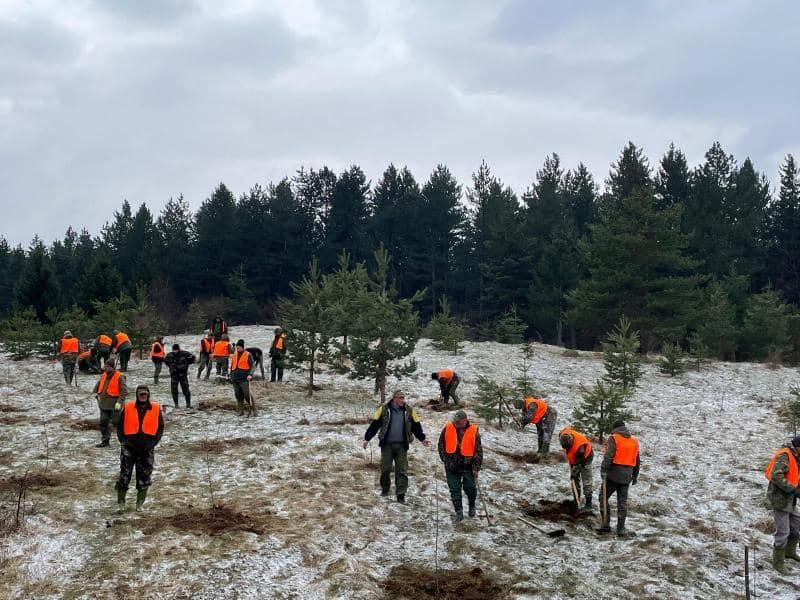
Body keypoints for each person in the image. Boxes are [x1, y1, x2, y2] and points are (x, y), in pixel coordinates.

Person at [363, 390, 429, 504]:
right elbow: (375, 425)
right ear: (394, 398)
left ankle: (401, 495)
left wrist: (422, 438)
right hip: (387, 445)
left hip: (402, 446)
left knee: (402, 471)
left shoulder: (409, 411)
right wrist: (367, 438)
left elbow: (416, 426)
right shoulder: (383, 410)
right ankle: (385, 489)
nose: (403, 400)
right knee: (385, 469)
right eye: (400, 397)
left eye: (404, 397)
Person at [113, 384, 164, 513]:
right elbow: (119, 426)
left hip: (146, 449)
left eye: (145, 394)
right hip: (129, 448)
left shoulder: (156, 408)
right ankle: (121, 503)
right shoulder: (128, 407)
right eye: (140, 394)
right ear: (137, 395)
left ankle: (139, 504)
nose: (142, 396)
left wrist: (152, 443)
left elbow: (160, 428)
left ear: (148, 395)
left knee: (144, 477)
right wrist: (123, 441)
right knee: (124, 476)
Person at [438, 410, 482, 522]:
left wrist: (476, 467)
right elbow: (441, 445)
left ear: (464, 420)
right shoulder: (448, 428)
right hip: (451, 466)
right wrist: (445, 460)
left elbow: (478, 451)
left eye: (458, 421)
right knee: (454, 490)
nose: (456, 423)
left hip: (468, 466)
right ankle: (459, 512)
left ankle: (472, 505)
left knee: (470, 488)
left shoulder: (473, 431)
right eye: (455, 421)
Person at [599, 420, 640, 537]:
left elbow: (609, 455)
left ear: (615, 428)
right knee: (622, 503)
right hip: (627, 477)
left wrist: (603, 470)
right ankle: (620, 529)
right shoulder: (634, 441)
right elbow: (637, 460)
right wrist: (635, 475)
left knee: (603, 497)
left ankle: (606, 524)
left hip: (613, 475)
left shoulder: (614, 438)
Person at [765, 436, 800, 574]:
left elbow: (794, 475)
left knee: (796, 525)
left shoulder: (796, 455)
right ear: (798, 446)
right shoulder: (785, 456)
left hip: (790, 499)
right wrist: (794, 489)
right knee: (783, 532)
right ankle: (778, 563)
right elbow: (776, 476)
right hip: (780, 499)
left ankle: (790, 552)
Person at [92, 359, 127, 448]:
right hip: (103, 404)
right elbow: (98, 384)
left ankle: (124, 442)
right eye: (105, 366)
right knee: (103, 422)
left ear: (112, 367)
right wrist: (95, 392)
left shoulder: (119, 377)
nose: (105, 368)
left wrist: (119, 402)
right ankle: (105, 441)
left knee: (117, 423)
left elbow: (124, 391)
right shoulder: (104, 375)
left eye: (108, 366)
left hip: (114, 405)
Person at [559, 426, 594, 509]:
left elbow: (578, 463)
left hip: (585, 458)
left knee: (586, 479)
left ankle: (588, 503)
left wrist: (574, 473)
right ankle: (576, 500)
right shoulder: (563, 434)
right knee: (574, 480)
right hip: (574, 458)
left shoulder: (580, 448)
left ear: (571, 442)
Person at [163, 343, 196, 408]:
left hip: (183, 375)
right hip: (174, 375)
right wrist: (171, 367)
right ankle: (176, 405)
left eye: (176, 350)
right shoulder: (169, 355)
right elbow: (166, 361)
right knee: (174, 390)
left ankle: (188, 404)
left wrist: (186, 364)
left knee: (185, 389)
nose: (175, 351)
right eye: (174, 350)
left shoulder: (185, 354)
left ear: (179, 349)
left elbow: (192, 358)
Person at [230, 340, 255, 416]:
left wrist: (250, 374)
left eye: (239, 348)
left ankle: (254, 410)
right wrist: (231, 376)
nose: (237, 349)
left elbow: (253, 366)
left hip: (244, 378)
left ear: (242, 347)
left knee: (247, 395)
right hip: (235, 378)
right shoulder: (234, 355)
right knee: (238, 395)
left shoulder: (248, 354)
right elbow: (232, 367)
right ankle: (240, 411)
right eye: (237, 348)